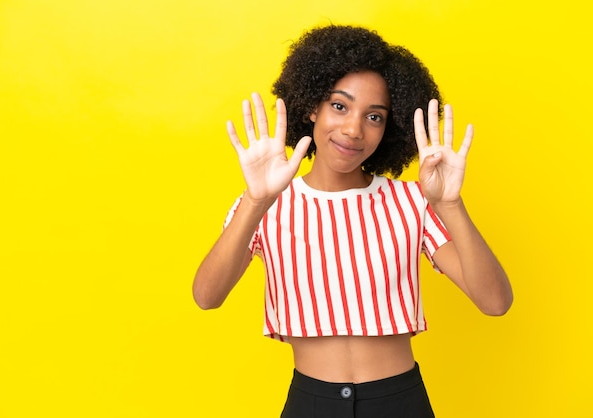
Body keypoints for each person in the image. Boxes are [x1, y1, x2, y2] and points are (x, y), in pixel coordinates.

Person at [193, 24, 513, 418]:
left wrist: (450, 205)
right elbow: (207, 296)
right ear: (312, 106)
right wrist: (257, 201)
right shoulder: (267, 202)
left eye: (374, 117)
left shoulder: (412, 201)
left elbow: (496, 302)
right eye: (339, 106)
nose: (353, 129)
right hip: (311, 403)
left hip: (400, 402)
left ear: (388, 129)